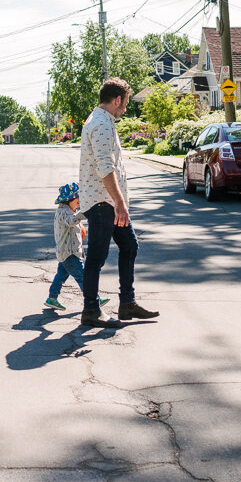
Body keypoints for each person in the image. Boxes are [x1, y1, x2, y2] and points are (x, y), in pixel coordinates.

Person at [78, 77, 160, 328]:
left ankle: (127, 303)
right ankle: (91, 310)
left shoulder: (102, 121)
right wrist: (119, 202)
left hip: (108, 202)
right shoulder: (101, 124)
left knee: (129, 246)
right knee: (96, 257)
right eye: (124, 104)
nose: (125, 109)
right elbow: (105, 168)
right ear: (117, 100)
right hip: (104, 203)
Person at [45, 182, 109, 311]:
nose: (79, 205)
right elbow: (72, 221)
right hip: (70, 253)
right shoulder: (64, 212)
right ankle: (94, 299)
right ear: (69, 200)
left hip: (66, 252)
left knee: (61, 276)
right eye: (78, 202)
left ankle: (52, 298)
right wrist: (84, 212)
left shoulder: (68, 211)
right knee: (83, 277)